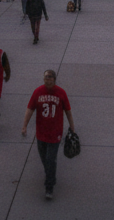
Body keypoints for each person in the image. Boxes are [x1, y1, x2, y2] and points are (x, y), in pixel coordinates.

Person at [21, 70, 74, 200]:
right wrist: (24, 125)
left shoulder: (61, 93)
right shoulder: (38, 92)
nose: (47, 79)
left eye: (49, 77)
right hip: (41, 133)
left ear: (54, 79)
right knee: (44, 158)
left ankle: (49, 186)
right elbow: (30, 109)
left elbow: (68, 111)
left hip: (55, 133)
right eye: (45, 77)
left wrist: (72, 127)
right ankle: (50, 174)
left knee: (51, 159)